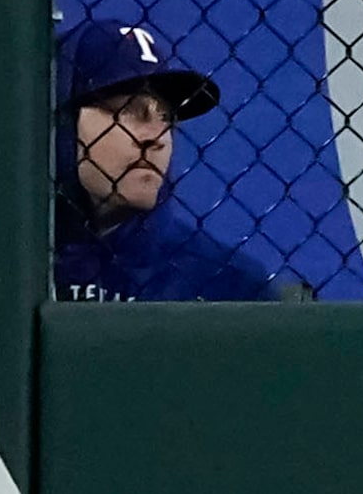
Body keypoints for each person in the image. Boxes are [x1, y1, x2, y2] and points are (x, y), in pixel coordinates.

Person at [54, 19, 284, 303]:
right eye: (129, 112)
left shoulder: (227, 285)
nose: (157, 137)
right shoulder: (0, 262)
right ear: (63, 123)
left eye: (166, 118)